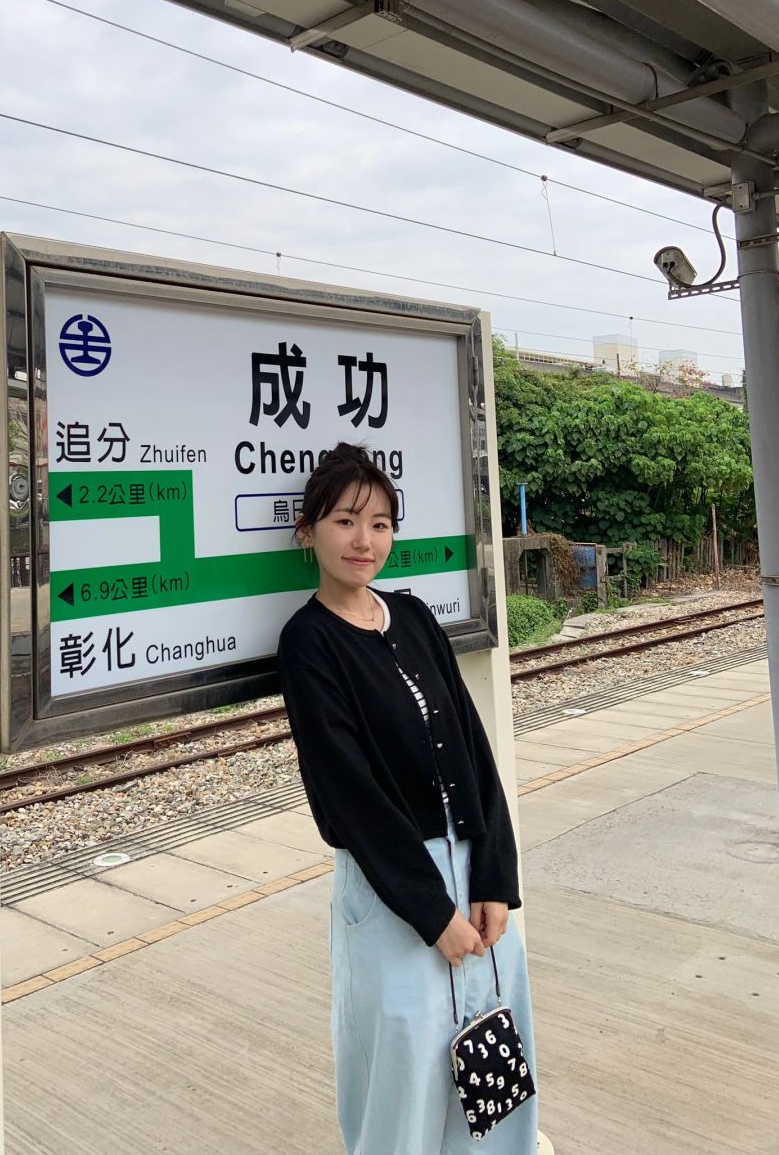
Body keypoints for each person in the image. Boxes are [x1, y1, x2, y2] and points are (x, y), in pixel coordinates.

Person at [277, 442, 537, 1155]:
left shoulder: (415, 617)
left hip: (470, 868)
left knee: (491, 1057)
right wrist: (433, 912)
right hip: (393, 887)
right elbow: (347, 795)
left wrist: (494, 879)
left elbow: (475, 753)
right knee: (404, 1061)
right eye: (346, 522)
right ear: (308, 531)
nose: (366, 541)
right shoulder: (308, 644)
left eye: (382, 524)